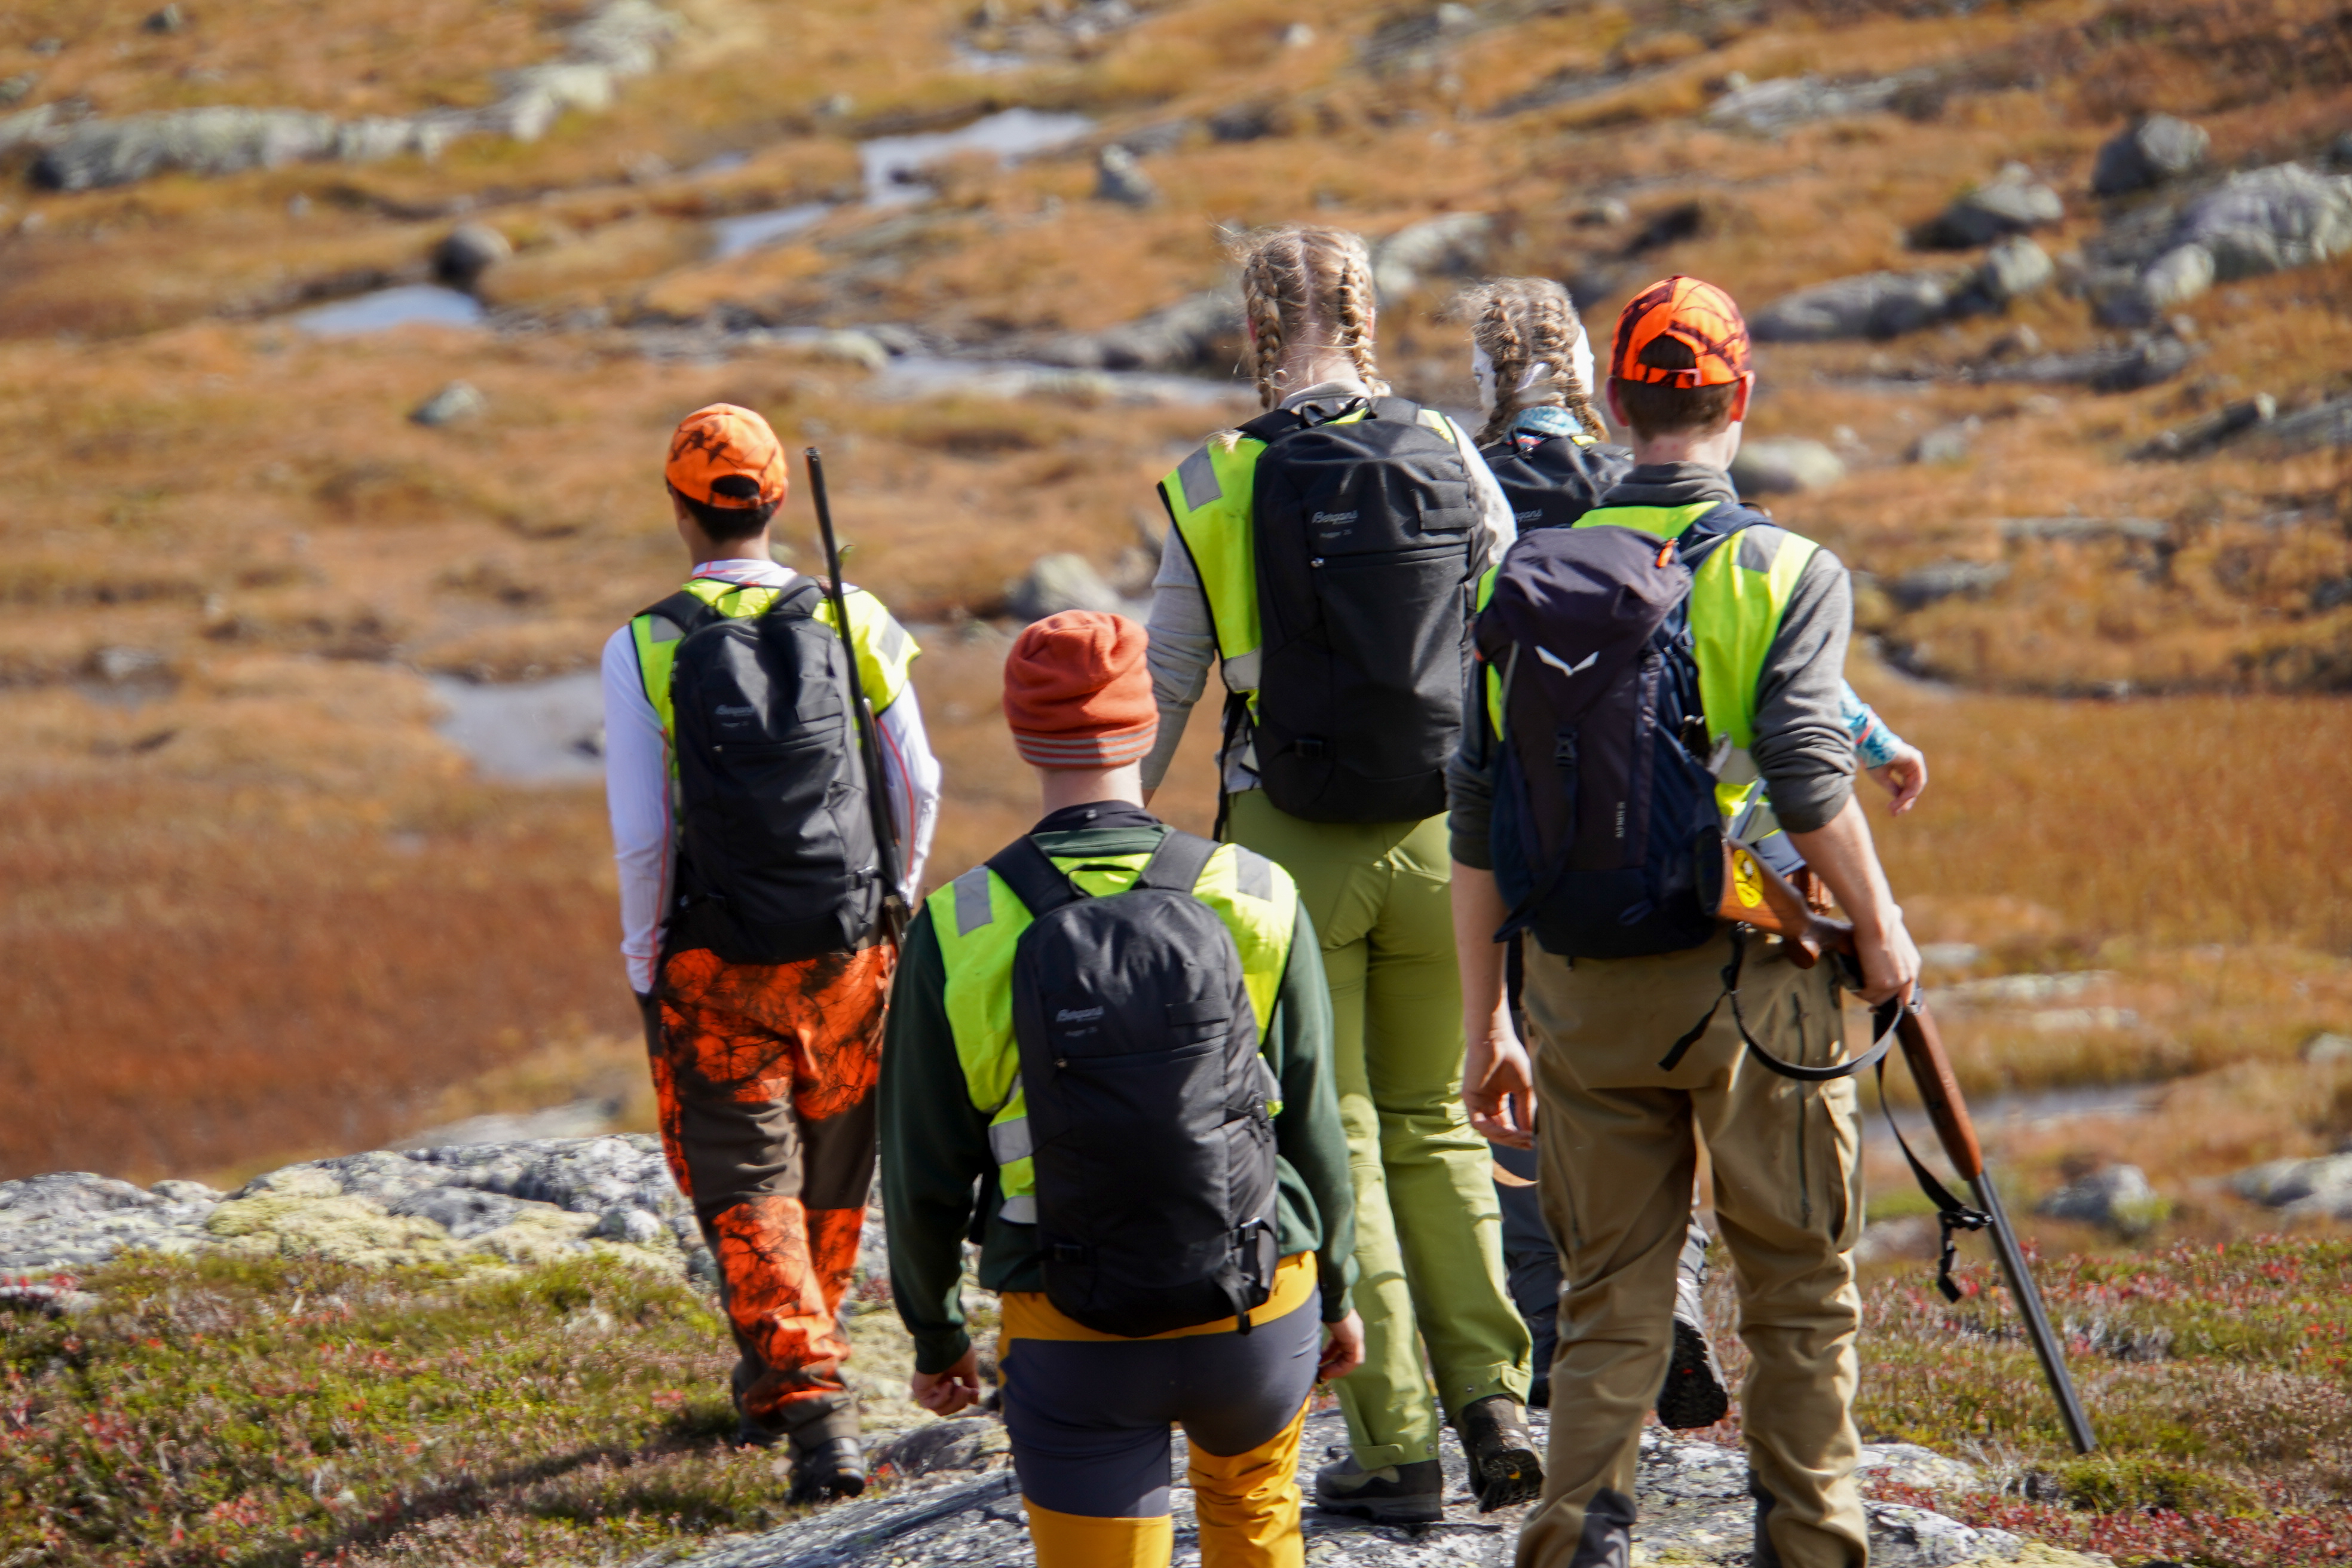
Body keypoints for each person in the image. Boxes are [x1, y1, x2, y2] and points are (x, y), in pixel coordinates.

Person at [1448, 276, 1922, 1568]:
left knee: (1608, 1296)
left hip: (1578, 985)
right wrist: (1882, 928)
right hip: (1758, 989)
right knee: (1799, 1294)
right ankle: (1809, 1546)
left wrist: (1489, 1027)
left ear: (1614, 404)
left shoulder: (1524, 575)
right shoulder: (1787, 569)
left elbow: (1476, 817)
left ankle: (1576, 1542)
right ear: (1742, 397)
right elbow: (1810, 777)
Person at [1143, 223, 1538, 1523]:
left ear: (1257, 328)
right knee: (1439, 1119)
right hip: (1443, 834)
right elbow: (1505, 630)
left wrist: (1108, 846)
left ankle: (1397, 1447)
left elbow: (1167, 679)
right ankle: (1494, 1399)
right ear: (1366, 318)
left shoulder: (1214, 478)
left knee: (1337, 1129)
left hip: (1286, 845)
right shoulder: (1450, 451)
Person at [881, 611, 1364, 1568]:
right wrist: (1339, 1291)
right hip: (1259, 1304)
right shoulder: (1257, 891)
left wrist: (937, 1338)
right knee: (1256, 1519)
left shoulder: (959, 923)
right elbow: (1315, 1120)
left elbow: (922, 1167)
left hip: (1069, 1321)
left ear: (1023, 736)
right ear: (1147, 725)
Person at [600, 402, 940, 1502]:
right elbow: (919, 779)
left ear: (679, 506)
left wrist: (647, 960)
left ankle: (809, 1400)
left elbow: (645, 834)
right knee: (832, 1174)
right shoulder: (855, 615)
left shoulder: (646, 643)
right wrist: (896, 897)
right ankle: (792, 1366)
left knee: (746, 1184)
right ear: (778, 500)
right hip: (849, 949)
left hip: (716, 964)